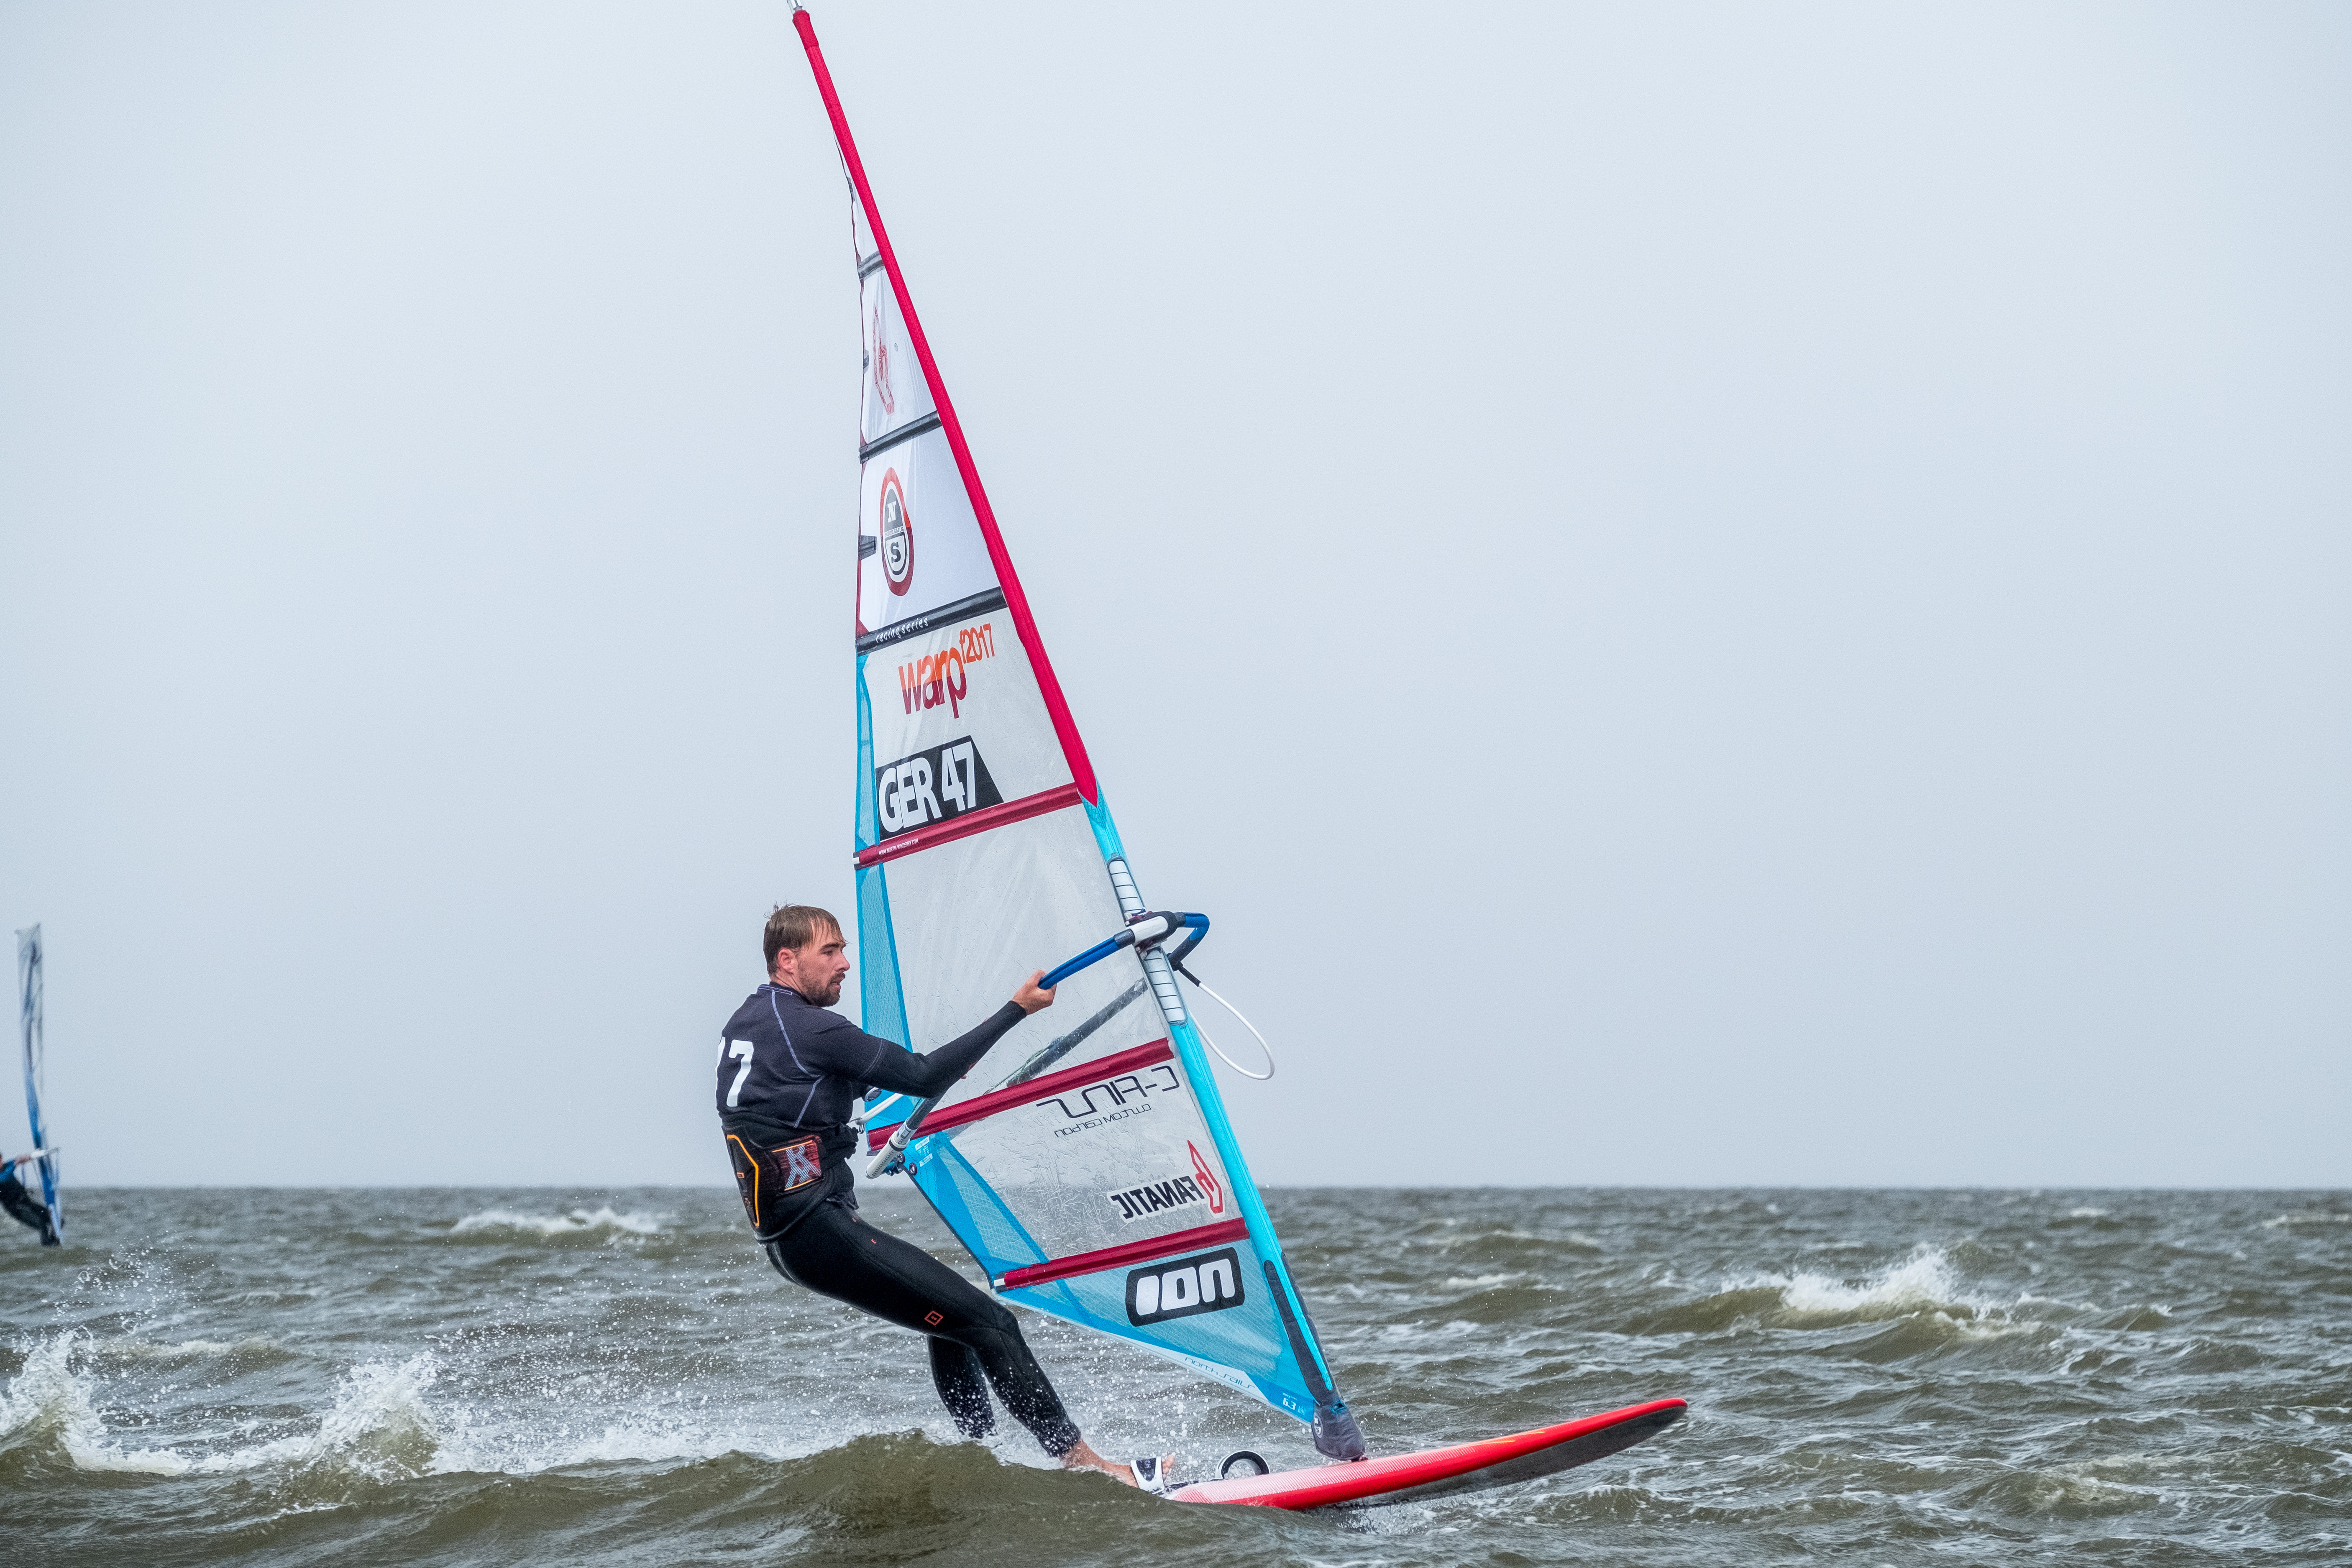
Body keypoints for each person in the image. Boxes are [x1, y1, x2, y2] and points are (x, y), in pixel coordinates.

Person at [719, 904, 1169, 1489]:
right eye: (829, 951)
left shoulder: (752, 1022)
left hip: (793, 1237)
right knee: (992, 1324)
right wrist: (1016, 1010)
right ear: (787, 959)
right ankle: (1088, 1465)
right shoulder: (812, 1028)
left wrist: (942, 1074)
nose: (844, 963)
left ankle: (979, 1457)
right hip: (818, 1229)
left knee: (951, 1322)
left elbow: (820, 1091)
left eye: (843, 949)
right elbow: (923, 1074)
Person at [1, 1153, 59, 1246]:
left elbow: (19, 1160)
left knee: (55, 1218)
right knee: (41, 1224)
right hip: (16, 1209)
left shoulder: (7, 1166)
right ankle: (47, 1245)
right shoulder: (6, 1173)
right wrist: (16, 1163)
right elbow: (5, 1176)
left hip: (26, 1203)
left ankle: (54, 1240)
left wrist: (31, 1157)